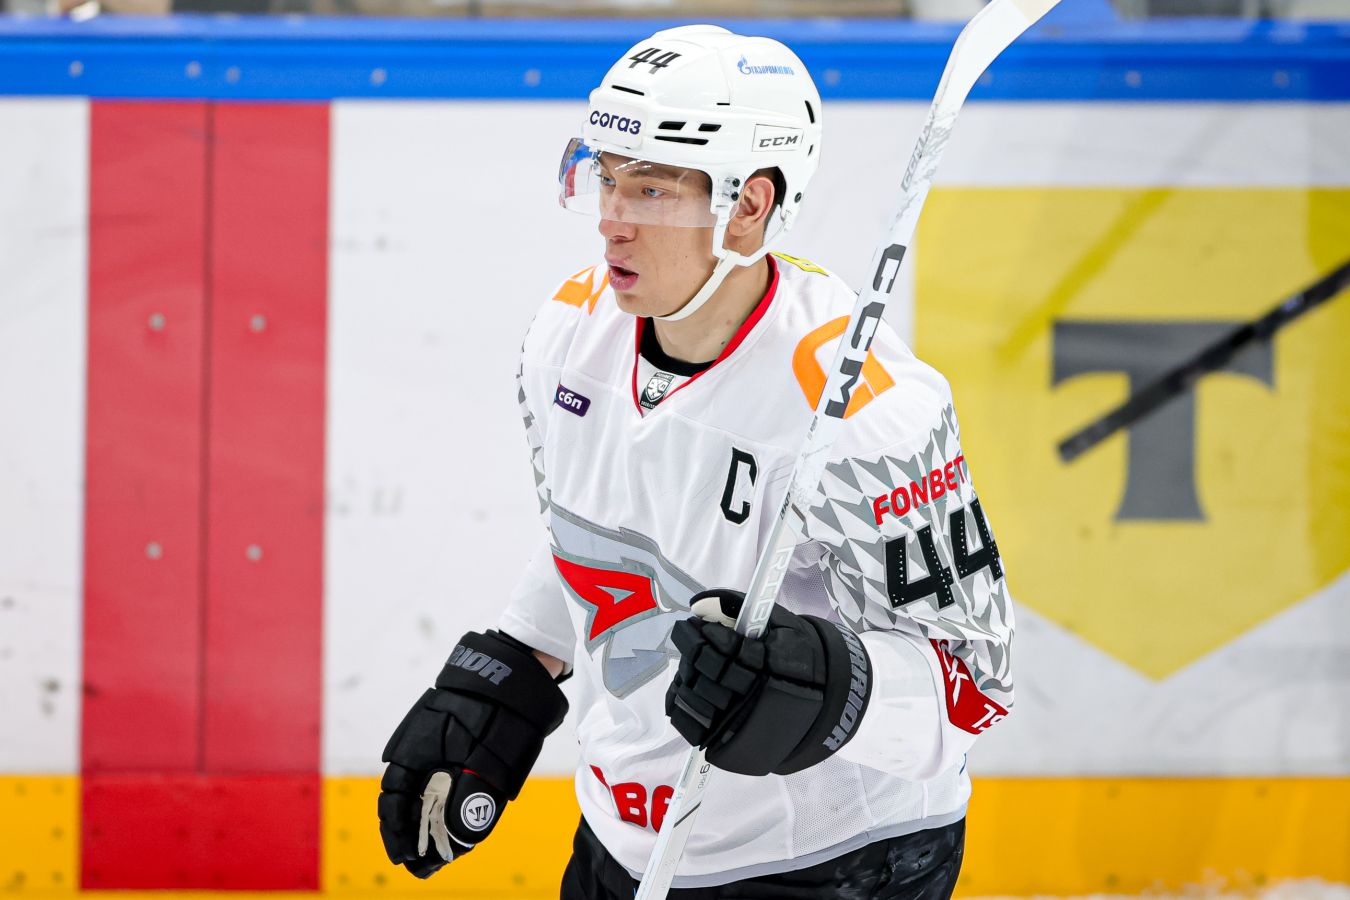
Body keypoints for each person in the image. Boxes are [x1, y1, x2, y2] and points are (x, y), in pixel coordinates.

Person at [377, 24, 1015, 900]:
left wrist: (825, 689)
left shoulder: (862, 411)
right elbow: (602, 534)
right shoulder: (571, 337)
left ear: (749, 206)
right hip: (623, 844)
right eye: (605, 177)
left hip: (833, 863)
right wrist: (515, 671)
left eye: (650, 189)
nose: (612, 220)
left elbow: (975, 684)